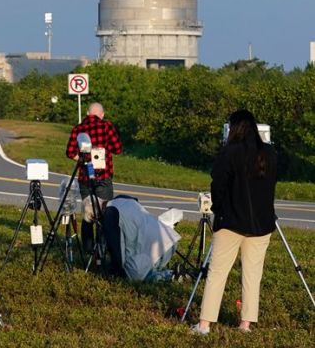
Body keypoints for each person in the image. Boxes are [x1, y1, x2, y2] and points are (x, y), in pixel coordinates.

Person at [193, 109, 277, 335]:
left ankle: (204, 324)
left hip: (230, 222)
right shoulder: (269, 153)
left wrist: (219, 211)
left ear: (234, 128)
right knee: (252, 275)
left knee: (217, 274)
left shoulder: (229, 153)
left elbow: (217, 185)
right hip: (261, 224)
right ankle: (246, 323)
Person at [66, 102, 122, 254]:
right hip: (103, 175)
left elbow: (70, 152)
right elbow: (118, 149)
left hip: (85, 177)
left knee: (88, 213)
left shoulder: (78, 129)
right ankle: (102, 249)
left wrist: (84, 161)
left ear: (87, 113)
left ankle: (87, 249)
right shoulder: (106, 126)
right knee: (104, 214)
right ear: (102, 114)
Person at [99, 195, 180, 281]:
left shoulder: (110, 214)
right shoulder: (122, 199)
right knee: (144, 265)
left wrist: (116, 271)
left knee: (132, 275)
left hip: (154, 251)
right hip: (169, 240)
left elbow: (116, 248)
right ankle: (170, 274)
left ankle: (168, 275)